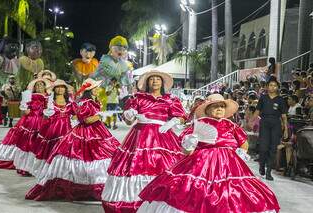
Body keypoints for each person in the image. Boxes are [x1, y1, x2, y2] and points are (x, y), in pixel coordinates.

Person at [138, 94, 280, 213]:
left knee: (235, 194)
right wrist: (190, 143)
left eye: (222, 106)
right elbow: (185, 151)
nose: (219, 109)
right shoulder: (198, 124)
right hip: (202, 164)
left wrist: (241, 153)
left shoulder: (231, 125)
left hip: (230, 165)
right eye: (216, 106)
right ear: (207, 109)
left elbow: (244, 143)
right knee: (195, 194)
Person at [101, 70, 187, 212]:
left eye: (157, 79)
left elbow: (182, 117)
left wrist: (172, 122)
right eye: (151, 79)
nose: (154, 81)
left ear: (162, 83)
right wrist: (130, 115)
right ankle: (134, 201)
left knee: (165, 167)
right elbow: (129, 121)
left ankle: (158, 203)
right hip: (140, 135)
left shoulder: (170, 99)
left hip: (163, 135)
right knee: (135, 167)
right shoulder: (138, 98)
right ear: (147, 83)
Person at [25, 78, 120, 201]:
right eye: (95, 88)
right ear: (89, 91)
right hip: (88, 131)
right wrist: (100, 116)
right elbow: (85, 120)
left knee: (96, 156)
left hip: (95, 131)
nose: (97, 90)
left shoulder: (89, 101)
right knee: (88, 156)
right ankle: (88, 186)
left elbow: (78, 116)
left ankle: (92, 183)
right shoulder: (87, 102)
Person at [0, 78, 50, 172]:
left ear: (45, 86)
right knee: (27, 140)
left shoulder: (49, 96)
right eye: (37, 85)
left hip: (43, 120)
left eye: (41, 85)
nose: (39, 86)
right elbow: (24, 107)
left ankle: (39, 162)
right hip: (31, 120)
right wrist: (26, 110)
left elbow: (50, 108)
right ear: (34, 87)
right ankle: (25, 162)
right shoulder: (30, 95)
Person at [29, 79, 75, 177]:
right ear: (54, 89)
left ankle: (63, 170)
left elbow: (75, 114)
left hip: (67, 129)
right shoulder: (49, 100)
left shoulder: (70, 102)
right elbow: (44, 116)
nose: (60, 89)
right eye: (58, 87)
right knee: (51, 149)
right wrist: (47, 113)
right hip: (53, 129)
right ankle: (49, 171)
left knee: (65, 151)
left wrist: (73, 120)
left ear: (65, 89)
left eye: (62, 87)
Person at [254, 77, 288, 181]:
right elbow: (257, 111)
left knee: (273, 148)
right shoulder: (263, 98)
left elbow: (284, 116)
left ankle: (268, 172)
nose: (272, 87)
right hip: (264, 122)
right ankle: (261, 165)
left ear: (277, 87)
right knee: (263, 147)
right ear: (267, 87)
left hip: (276, 124)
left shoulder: (281, 100)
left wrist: (286, 129)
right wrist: (253, 122)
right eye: (270, 85)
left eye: (275, 85)